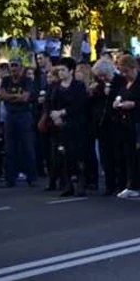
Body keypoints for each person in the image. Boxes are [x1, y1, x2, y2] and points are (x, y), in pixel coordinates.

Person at [48, 58, 89, 197]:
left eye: (63, 70)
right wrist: (54, 116)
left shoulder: (78, 86)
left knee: (77, 154)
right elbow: (50, 104)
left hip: (77, 124)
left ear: (71, 71)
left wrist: (62, 112)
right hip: (61, 126)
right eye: (59, 70)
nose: (60, 73)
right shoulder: (55, 87)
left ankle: (80, 183)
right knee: (63, 154)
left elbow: (80, 105)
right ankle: (68, 184)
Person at [113, 55, 140, 199]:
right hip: (126, 121)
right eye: (121, 72)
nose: (124, 75)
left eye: (126, 71)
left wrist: (134, 104)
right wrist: (118, 102)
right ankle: (132, 184)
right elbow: (120, 94)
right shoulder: (124, 82)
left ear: (134, 68)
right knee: (129, 154)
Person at [0, 58, 36, 188]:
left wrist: (8, 97)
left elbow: (25, 98)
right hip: (10, 116)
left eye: (15, 65)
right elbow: (0, 96)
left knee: (27, 147)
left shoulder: (27, 80)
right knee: (9, 148)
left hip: (24, 115)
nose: (13, 68)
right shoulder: (5, 80)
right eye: (11, 65)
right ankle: (10, 179)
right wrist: (16, 97)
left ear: (21, 67)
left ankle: (32, 178)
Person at [91, 59, 127, 196]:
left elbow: (121, 96)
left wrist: (111, 93)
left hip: (116, 122)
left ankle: (122, 182)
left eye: (103, 75)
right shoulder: (99, 85)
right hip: (102, 123)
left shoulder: (119, 81)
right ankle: (109, 184)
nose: (102, 78)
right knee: (106, 156)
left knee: (118, 155)